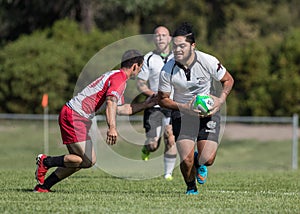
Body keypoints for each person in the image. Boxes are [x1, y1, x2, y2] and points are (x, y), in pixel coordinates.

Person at [34, 49, 156, 192]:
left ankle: (43, 187)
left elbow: (121, 109)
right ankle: (46, 161)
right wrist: (112, 127)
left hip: (74, 115)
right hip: (75, 115)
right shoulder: (119, 79)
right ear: (135, 66)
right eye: (140, 67)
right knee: (88, 160)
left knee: (78, 161)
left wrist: (147, 104)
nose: (140, 71)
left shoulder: (116, 76)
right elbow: (111, 102)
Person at [158, 22, 234, 195]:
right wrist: (184, 107)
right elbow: (162, 99)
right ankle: (191, 188)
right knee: (186, 159)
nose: (177, 50)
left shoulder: (208, 61)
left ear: (193, 46)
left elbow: (228, 80)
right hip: (182, 113)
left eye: (182, 46)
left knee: (208, 159)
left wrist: (220, 100)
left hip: (208, 113)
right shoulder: (167, 69)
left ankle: (201, 163)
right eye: (175, 46)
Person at [136, 25, 177, 180]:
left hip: (172, 104)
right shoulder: (148, 58)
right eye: (157, 35)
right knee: (153, 144)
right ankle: (147, 149)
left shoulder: (178, 57)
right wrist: (154, 94)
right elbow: (141, 83)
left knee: (170, 136)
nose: (160, 38)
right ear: (154, 39)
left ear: (170, 38)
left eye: (163, 35)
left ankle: (168, 173)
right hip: (154, 105)